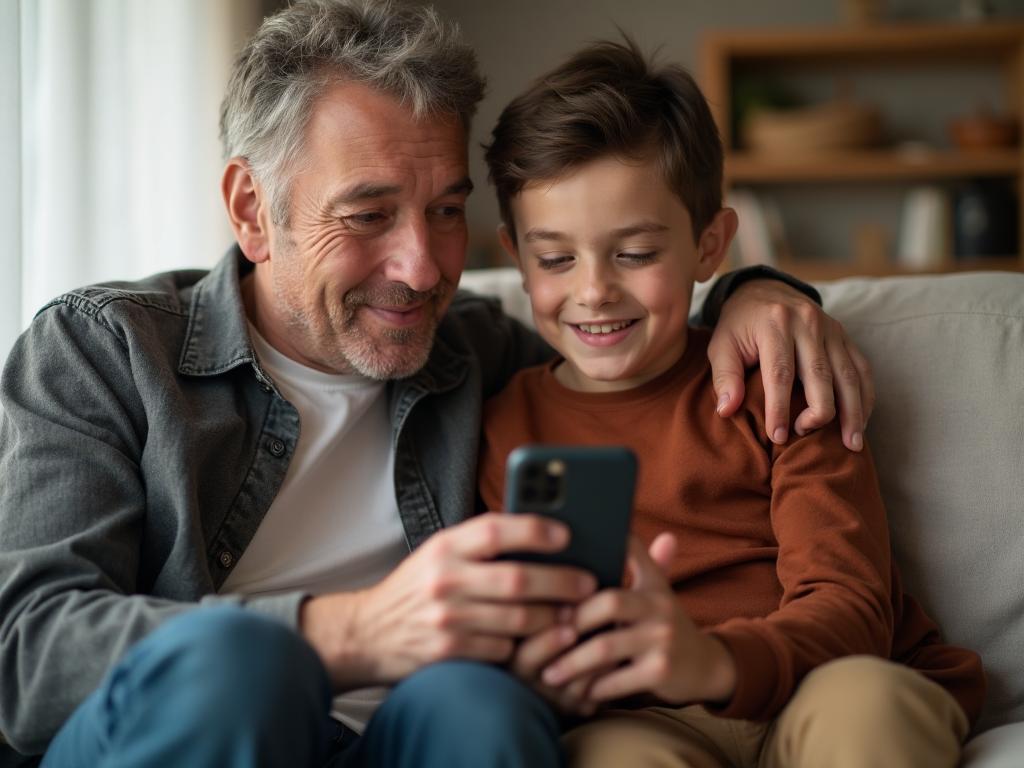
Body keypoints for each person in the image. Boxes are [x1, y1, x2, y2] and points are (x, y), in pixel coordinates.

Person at [0, 2, 874, 767]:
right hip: (204, 720)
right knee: (242, 664)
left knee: (479, 702)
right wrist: (345, 633)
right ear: (252, 210)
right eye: (368, 214)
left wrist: (757, 296)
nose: (421, 269)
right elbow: (24, 654)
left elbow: (623, 334)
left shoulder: (477, 357)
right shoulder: (102, 351)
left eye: (448, 211)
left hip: (409, 734)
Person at [476, 37, 986, 768]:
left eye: (637, 253)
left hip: (818, 687)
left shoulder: (775, 382)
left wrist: (712, 662)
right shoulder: (504, 425)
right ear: (517, 257)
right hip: (643, 717)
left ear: (710, 245)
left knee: (865, 708)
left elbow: (851, 605)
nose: (593, 291)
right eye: (556, 258)